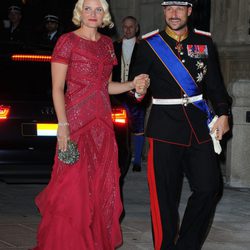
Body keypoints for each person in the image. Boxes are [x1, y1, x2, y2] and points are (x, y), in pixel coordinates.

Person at [32, 0, 149, 249]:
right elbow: (57, 88)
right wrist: (62, 125)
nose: (93, 14)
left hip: (102, 126)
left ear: (104, 14)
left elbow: (104, 87)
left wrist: (130, 84)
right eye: (88, 8)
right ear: (79, 12)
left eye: (98, 9)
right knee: (71, 191)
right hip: (75, 125)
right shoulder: (67, 41)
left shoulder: (107, 45)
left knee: (99, 188)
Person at [130, 1, 231, 250]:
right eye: (169, 8)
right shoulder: (149, 45)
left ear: (189, 11)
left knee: (209, 188)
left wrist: (224, 114)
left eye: (179, 8)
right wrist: (138, 92)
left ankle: (187, 245)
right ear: (164, 11)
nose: (174, 14)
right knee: (164, 198)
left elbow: (215, 85)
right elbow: (134, 90)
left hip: (199, 128)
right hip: (164, 129)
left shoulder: (204, 42)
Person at [113, 16, 148, 174]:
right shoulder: (114, 46)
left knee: (138, 125)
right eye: (125, 27)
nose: (127, 30)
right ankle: (118, 155)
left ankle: (137, 160)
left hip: (136, 93)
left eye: (131, 27)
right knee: (118, 127)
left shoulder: (143, 47)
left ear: (137, 28)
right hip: (117, 93)